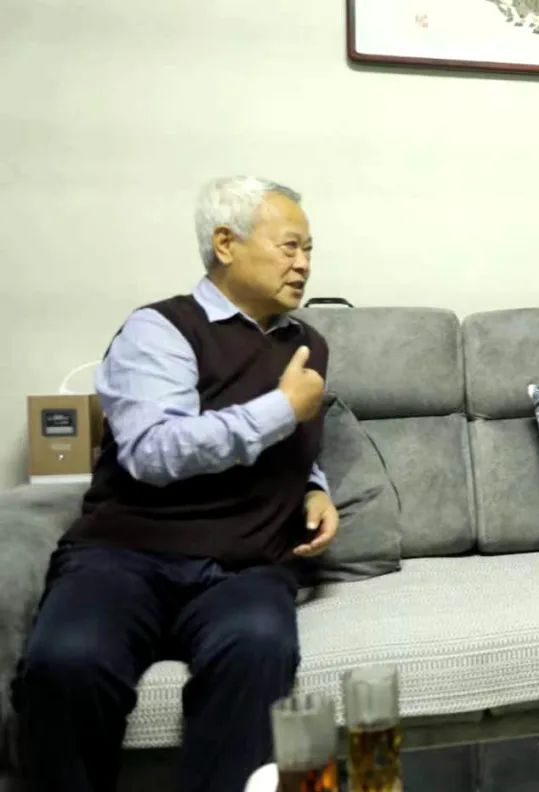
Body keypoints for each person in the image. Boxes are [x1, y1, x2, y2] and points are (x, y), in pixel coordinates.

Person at [14, 176, 339, 792]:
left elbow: (294, 444)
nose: (303, 264)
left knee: (259, 651)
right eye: (289, 246)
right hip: (125, 555)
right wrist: (280, 408)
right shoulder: (160, 330)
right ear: (225, 243)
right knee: (66, 664)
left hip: (246, 567)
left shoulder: (308, 345)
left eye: (309, 250)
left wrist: (313, 487)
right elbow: (151, 451)